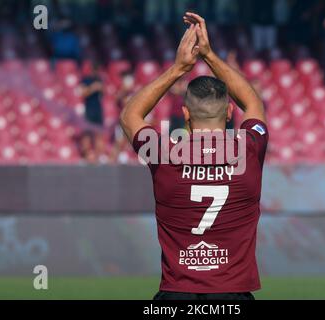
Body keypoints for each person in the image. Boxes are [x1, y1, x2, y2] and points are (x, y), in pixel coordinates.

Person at [119, 12, 268, 300]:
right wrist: (210, 55)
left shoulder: (163, 153)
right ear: (228, 113)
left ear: (185, 114)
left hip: (176, 295)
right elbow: (252, 102)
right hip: (233, 295)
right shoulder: (248, 149)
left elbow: (130, 115)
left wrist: (179, 68)